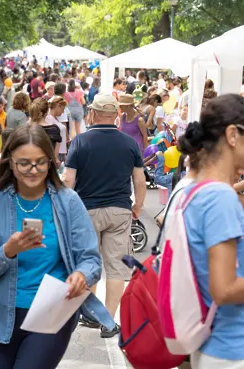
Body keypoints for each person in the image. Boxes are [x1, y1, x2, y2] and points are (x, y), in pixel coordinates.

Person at [0, 125, 116, 368]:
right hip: (0, 312)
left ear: (51, 161)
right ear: (9, 162)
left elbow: (90, 259)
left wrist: (81, 274)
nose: (33, 170)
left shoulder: (68, 201)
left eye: (41, 162)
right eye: (24, 163)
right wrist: (8, 251)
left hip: (52, 309)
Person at [175, 94, 244, 369]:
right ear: (233, 135)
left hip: (221, 345)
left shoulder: (192, 188)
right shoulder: (220, 197)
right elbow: (224, 289)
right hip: (238, 349)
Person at [64, 94, 146, 335]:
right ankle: (108, 321)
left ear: (93, 114)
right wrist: (138, 206)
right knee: (116, 266)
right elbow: (139, 180)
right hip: (119, 209)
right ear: (116, 116)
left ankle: (91, 315)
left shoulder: (79, 142)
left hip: (85, 211)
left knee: (89, 264)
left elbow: (69, 180)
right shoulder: (130, 143)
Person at [47, 96, 69, 164]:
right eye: (62, 109)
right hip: (58, 152)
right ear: (58, 106)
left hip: (61, 151)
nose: (62, 112)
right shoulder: (48, 119)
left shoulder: (53, 118)